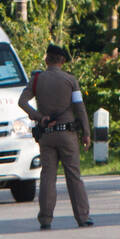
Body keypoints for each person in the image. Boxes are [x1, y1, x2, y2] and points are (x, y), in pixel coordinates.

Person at [18, 44, 92, 229]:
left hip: (47, 136)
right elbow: (79, 108)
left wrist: (39, 117)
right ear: (62, 60)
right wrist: (86, 133)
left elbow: (22, 102)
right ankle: (82, 217)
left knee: (47, 177)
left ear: (47, 59)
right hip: (67, 134)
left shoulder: (36, 80)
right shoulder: (70, 80)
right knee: (73, 176)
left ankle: (45, 219)